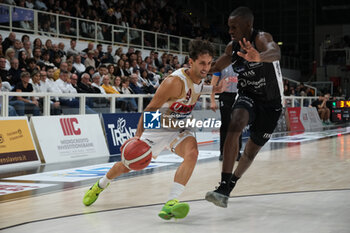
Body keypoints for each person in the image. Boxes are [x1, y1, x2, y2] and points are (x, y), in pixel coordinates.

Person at [83, 39, 226, 220]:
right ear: (191, 62)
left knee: (193, 153)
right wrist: (138, 137)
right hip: (158, 125)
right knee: (129, 164)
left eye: (208, 63)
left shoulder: (199, 76)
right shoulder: (174, 82)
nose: (206, 67)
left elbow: (198, 88)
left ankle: (171, 203)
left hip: (181, 126)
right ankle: (100, 185)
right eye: (202, 63)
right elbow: (151, 108)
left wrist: (215, 88)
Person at [205, 6, 283, 208]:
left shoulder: (261, 38)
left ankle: (231, 185)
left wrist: (259, 57)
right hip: (248, 95)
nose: (230, 31)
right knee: (235, 124)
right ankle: (222, 186)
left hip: (271, 103)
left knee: (251, 151)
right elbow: (215, 67)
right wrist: (192, 72)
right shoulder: (232, 47)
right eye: (229, 27)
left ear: (248, 25)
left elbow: (275, 51)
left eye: (234, 27)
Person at [210, 65, 242, 161]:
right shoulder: (221, 65)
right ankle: (223, 152)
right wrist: (212, 100)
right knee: (226, 123)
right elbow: (213, 84)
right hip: (225, 96)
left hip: (238, 96)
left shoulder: (242, 64)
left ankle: (237, 152)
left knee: (238, 124)